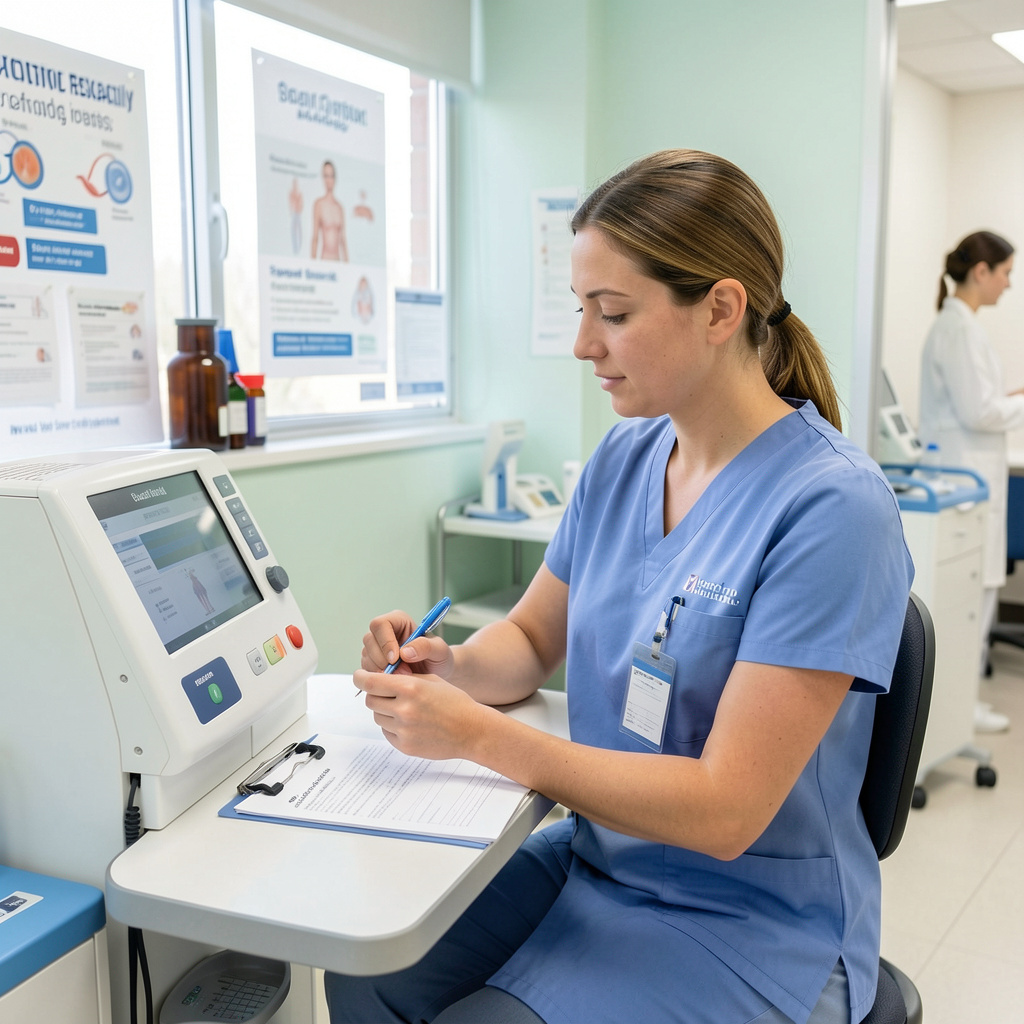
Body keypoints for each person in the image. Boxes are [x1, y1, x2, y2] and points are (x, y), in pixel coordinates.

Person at [327, 150, 913, 1024]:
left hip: (748, 920)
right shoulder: (626, 455)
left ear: (720, 309)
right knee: (366, 962)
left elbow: (726, 812)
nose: (582, 344)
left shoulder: (833, 508)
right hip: (606, 860)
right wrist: (446, 670)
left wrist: (477, 736)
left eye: (614, 313)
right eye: (581, 310)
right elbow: (529, 643)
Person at [918, 231, 1022, 734]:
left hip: (973, 479)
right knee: (967, 598)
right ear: (981, 272)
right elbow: (980, 412)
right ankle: (957, 704)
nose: (1008, 284)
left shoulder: (963, 326)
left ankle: (963, 701)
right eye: (1005, 272)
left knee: (976, 596)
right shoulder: (957, 328)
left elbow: (980, 403)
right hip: (965, 482)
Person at [311, 159, 348, 261]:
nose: (329, 180)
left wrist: (349, 267)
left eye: (331, 176)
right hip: (325, 261)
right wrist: (312, 264)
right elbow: (315, 238)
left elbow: (343, 241)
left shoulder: (339, 207)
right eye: (326, 176)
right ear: (323, 178)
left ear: (335, 178)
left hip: (338, 261)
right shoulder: (319, 204)